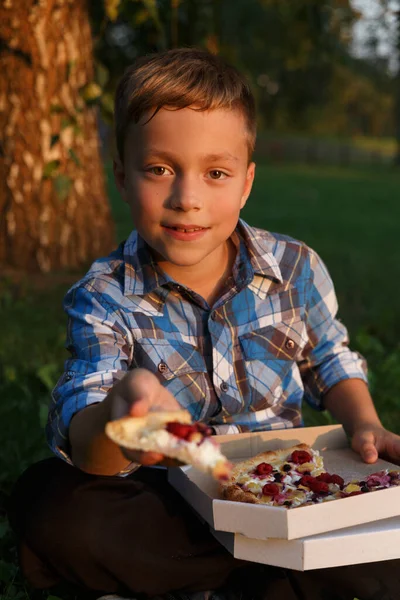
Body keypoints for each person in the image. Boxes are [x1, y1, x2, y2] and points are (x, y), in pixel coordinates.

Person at [8, 47, 400, 600]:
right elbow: (87, 438)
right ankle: (267, 576)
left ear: (246, 182)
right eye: (160, 169)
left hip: (284, 488)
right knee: (50, 501)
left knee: (377, 531)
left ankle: (230, 576)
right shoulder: (103, 294)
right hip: (172, 495)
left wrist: (365, 424)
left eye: (216, 173)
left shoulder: (294, 268)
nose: (187, 198)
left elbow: (329, 358)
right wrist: (123, 417)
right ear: (122, 176)